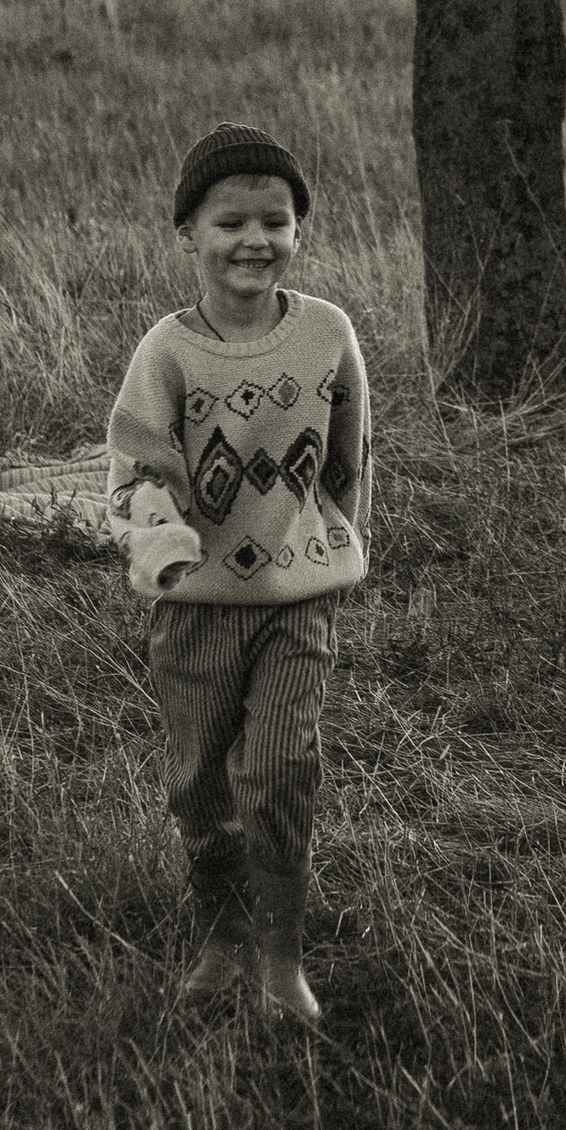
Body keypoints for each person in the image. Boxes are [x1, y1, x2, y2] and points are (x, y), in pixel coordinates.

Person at [108, 125, 371, 1022]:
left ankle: (283, 961)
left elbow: (348, 461)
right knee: (201, 785)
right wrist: (159, 532)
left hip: (299, 600)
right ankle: (221, 937)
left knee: (281, 769)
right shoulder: (167, 353)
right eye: (230, 222)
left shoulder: (328, 335)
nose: (254, 239)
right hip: (197, 607)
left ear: (298, 229)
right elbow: (138, 469)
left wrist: (336, 552)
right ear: (189, 233)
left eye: (276, 219)